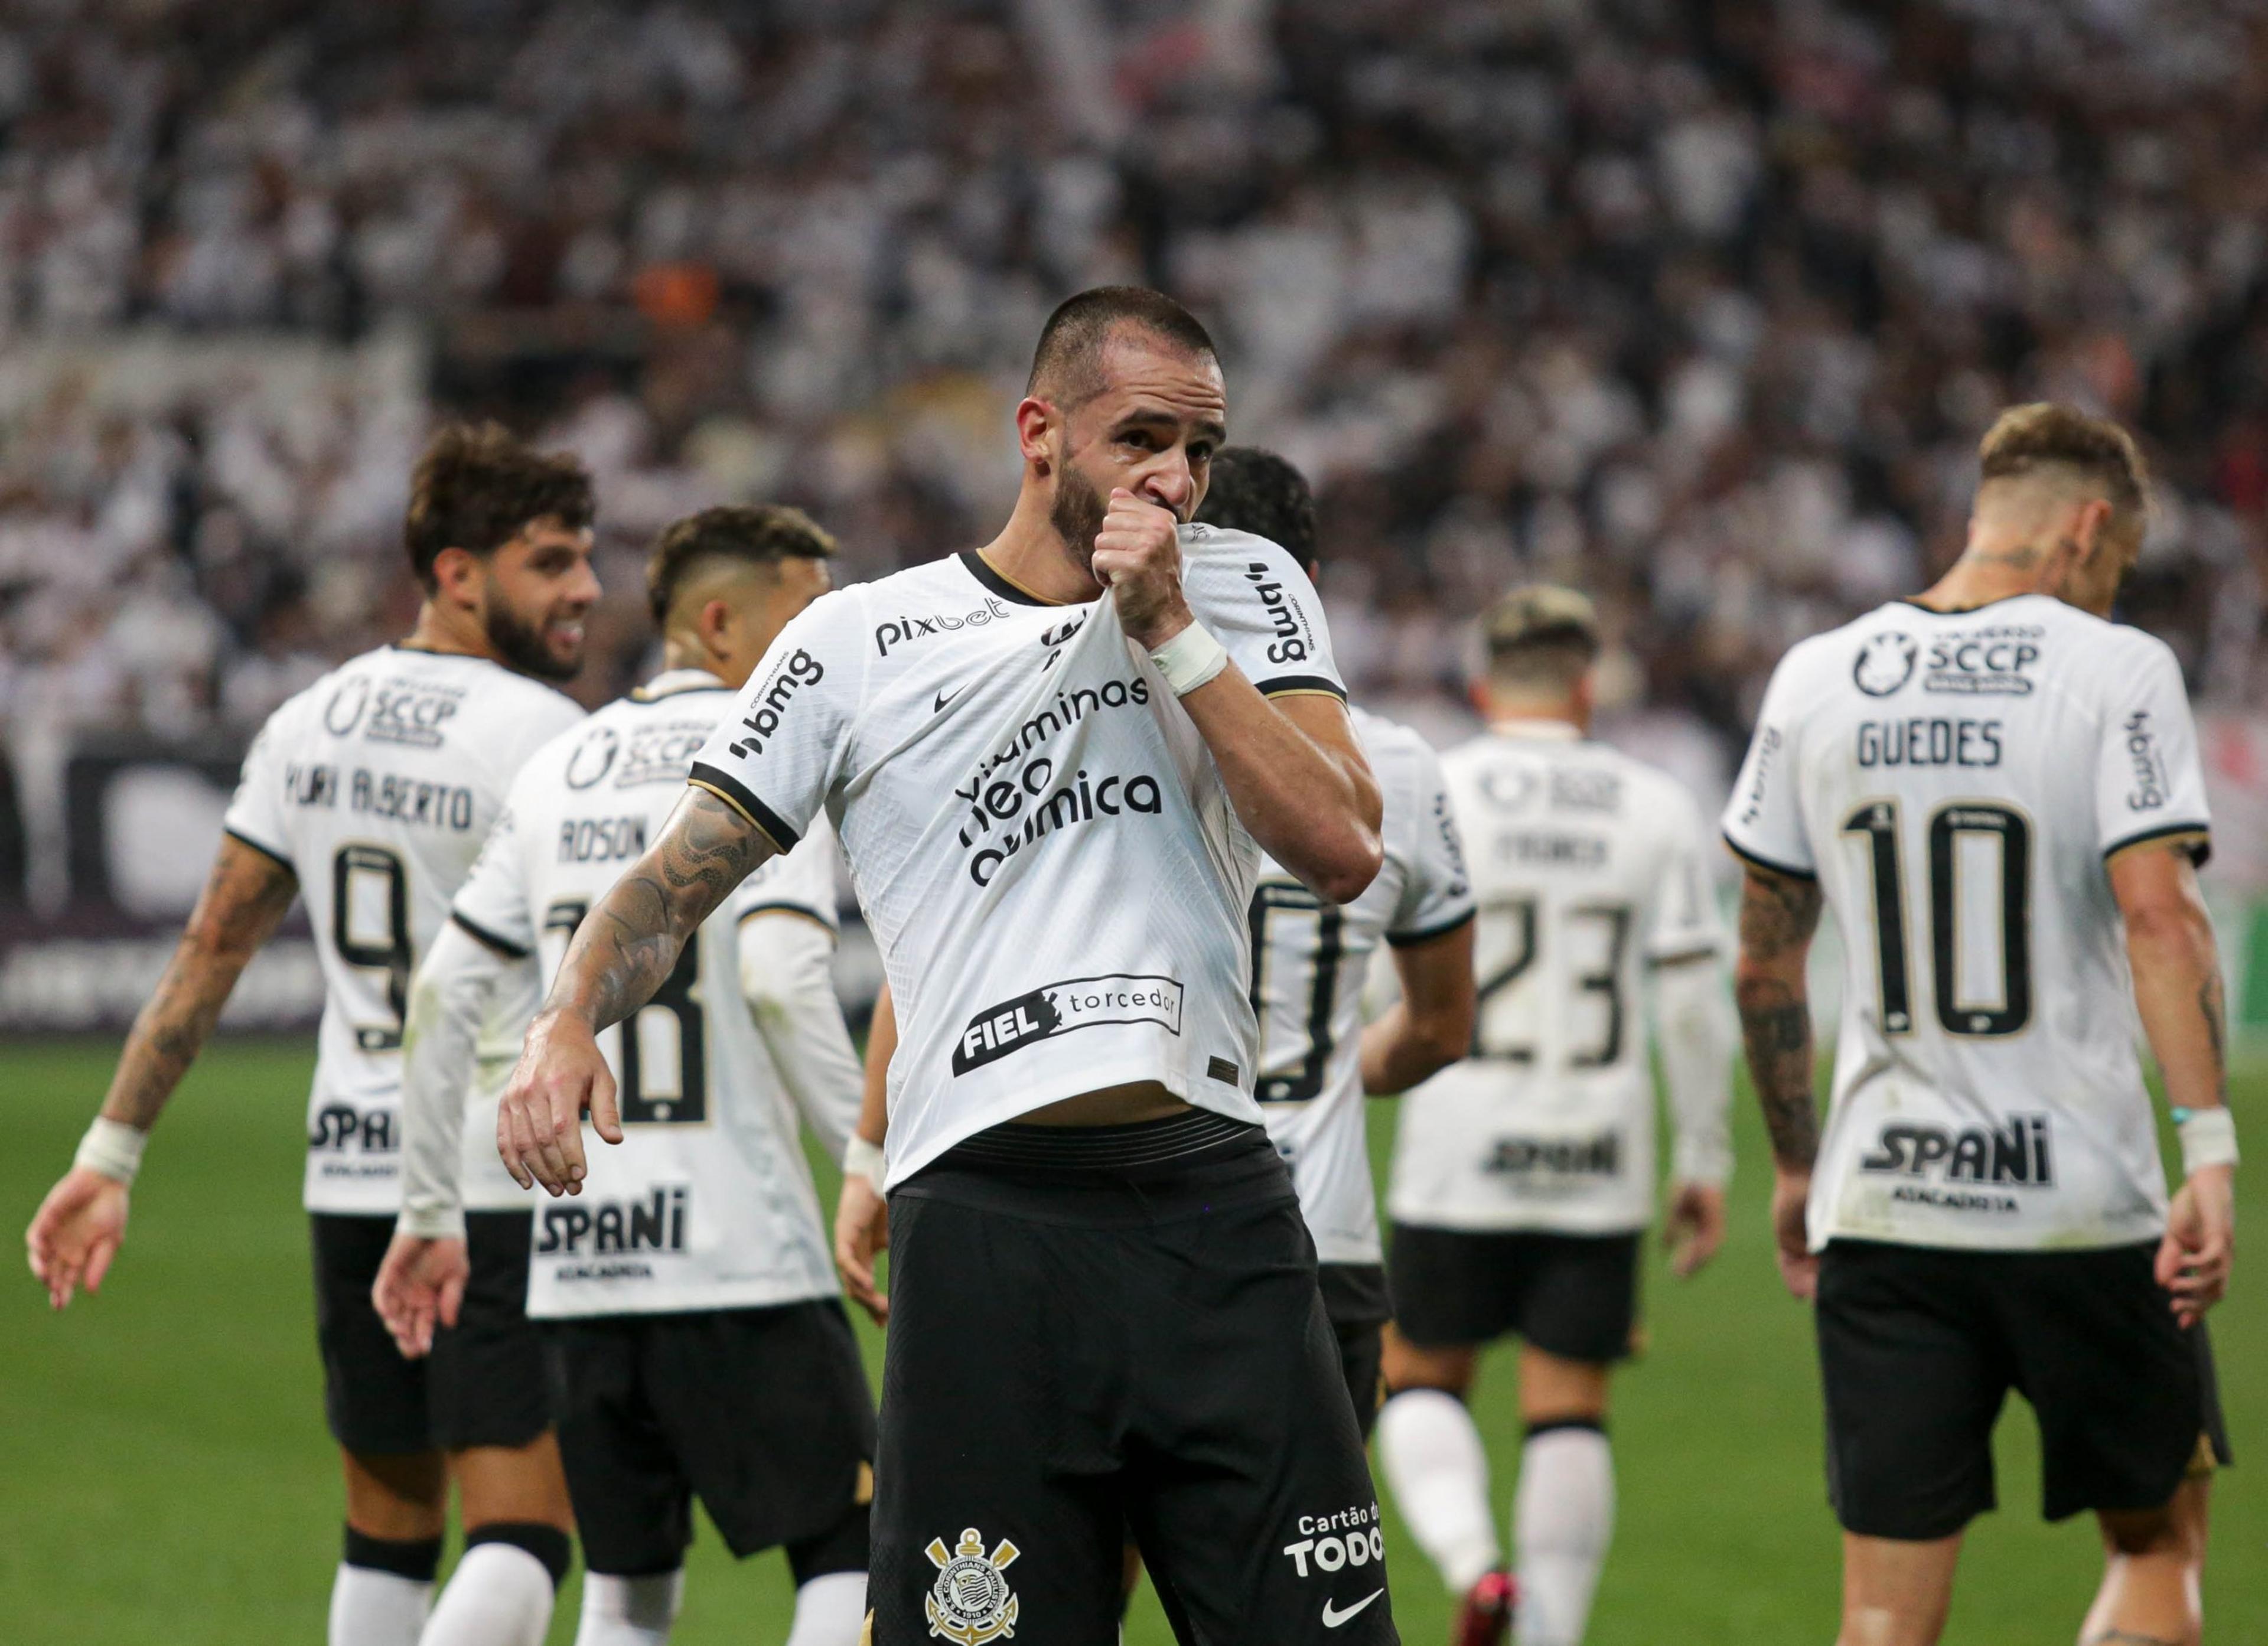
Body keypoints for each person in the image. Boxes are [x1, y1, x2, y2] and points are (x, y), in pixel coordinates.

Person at [495, 285, 1401, 1646]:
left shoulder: (1239, 586)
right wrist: (568, 1016)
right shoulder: (857, 644)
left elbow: (1338, 842)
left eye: (1201, 448)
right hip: (987, 1233)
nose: (1177, 476)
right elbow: (676, 879)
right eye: (1141, 436)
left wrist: (1171, 628)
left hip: (1216, 1212)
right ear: (1040, 432)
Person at [26, 424, 599, 1646]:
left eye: (585, 561)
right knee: (526, 1532)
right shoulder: (545, 735)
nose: (585, 590)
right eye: (550, 562)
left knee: (387, 1519)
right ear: (456, 572)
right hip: (490, 1180)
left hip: (350, 1167)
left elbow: (212, 946)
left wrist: (110, 1152)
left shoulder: (308, 720)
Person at [1722, 402, 2237, 1646]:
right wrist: (2208, 1143)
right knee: (2160, 1543)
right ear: (2091, 526)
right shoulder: (2117, 667)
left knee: (1884, 1620)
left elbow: (1766, 962)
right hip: (2084, 1205)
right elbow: (2161, 921)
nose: (2110, 594)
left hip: (1887, 1205)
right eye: (2113, 570)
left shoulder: (1817, 673)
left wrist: (1797, 1160)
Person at [373, 505, 872, 1646]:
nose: (827, 636)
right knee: (851, 1551)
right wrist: (870, 1157)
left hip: (583, 1267)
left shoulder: (559, 766)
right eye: (805, 610)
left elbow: (443, 997)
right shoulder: (774, 751)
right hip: (743, 1255)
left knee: (627, 1587)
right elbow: (782, 980)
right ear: (719, 620)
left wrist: (426, 1208)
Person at [1373, 584, 1735, 1646]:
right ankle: (1552, 1636)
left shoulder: (1438, 789)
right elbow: (1691, 1003)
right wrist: (1703, 1157)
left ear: (1483, 685)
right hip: (1599, 1148)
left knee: (1421, 1373)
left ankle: (1478, 1567)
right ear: (1589, 689)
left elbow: (1372, 984)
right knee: (1570, 1399)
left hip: (1460, 1142)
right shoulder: (1654, 802)